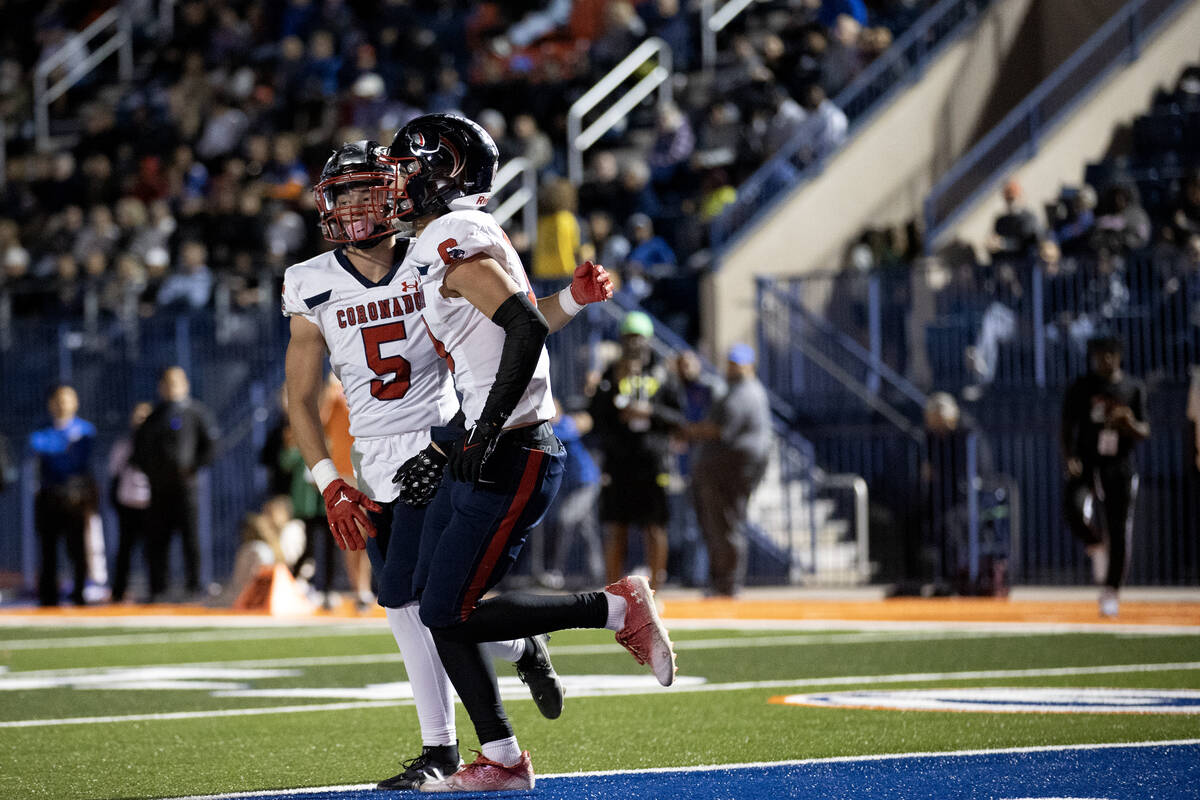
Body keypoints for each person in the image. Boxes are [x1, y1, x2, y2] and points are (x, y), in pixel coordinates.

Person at [282, 134, 613, 791]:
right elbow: (296, 397)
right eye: (340, 194)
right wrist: (330, 482)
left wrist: (571, 301)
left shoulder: (432, 250)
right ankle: (519, 646)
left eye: (363, 190)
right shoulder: (308, 281)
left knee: (407, 598)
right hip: (372, 461)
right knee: (425, 605)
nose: (351, 207)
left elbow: (515, 324)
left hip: (439, 447)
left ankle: (442, 748)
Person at [387, 113, 677, 792]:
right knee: (432, 599)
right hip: (491, 438)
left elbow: (518, 328)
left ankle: (614, 608)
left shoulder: (454, 234)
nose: (395, 182)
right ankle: (501, 759)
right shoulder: (453, 235)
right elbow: (524, 319)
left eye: (405, 167)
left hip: (510, 447)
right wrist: (572, 301)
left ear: (440, 172)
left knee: (443, 610)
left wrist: (483, 431)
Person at [588, 311, 685, 588]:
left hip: (653, 459)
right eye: (628, 338)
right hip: (619, 460)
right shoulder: (611, 370)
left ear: (648, 339)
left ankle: (656, 589)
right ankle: (613, 590)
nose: (634, 344)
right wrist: (613, 388)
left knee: (654, 526)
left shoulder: (663, 372)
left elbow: (679, 417)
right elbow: (596, 415)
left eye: (638, 338)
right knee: (616, 527)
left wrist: (650, 411)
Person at [1061, 337, 1151, 618]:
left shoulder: (1132, 388)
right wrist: (1070, 457)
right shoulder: (1082, 386)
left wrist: (1129, 424)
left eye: (1109, 354)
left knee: (1119, 528)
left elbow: (1145, 430)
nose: (1105, 360)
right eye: (1099, 355)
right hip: (1088, 462)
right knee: (1074, 509)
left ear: (1119, 356)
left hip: (1119, 465)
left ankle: (1111, 592)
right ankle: (1095, 543)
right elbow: (1067, 425)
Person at [687, 344, 773, 597]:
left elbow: (720, 429)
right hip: (727, 468)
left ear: (750, 366)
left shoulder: (744, 393)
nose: (733, 368)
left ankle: (728, 583)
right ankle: (723, 582)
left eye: (738, 364)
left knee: (727, 524)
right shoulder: (737, 389)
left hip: (732, 470)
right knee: (722, 524)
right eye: (731, 363)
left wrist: (687, 430)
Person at [132, 366, 219, 602]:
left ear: (185, 384)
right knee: (157, 540)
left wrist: (192, 468)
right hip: (159, 489)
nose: (172, 387)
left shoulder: (196, 413)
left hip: (186, 488)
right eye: (167, 383)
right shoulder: (153, 416)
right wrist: (151, 472)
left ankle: (194, 586)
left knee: (190, 538)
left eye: (176, 382)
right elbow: (138, 449)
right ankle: (158, 588)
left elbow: (210, 445)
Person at [30, 385, 98, 606]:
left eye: (67, 399)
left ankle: (80, 593)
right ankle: (48, 598)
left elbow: (78, 461)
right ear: (51, 403)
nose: (62, 404)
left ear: (75, 402)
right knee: (48, 550)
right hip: (49, 497)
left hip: (75, 498)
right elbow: (46, 455)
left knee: (77, 548)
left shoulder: (86, 431)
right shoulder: (41, 433)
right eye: (58, 399)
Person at [108, 401, 153, 603]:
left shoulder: (157, 443)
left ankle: (155, 590)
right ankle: (118, 592)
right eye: (138, 416)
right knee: (125, 550)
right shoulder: (124, 445)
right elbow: (115, 474)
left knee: (152, 551)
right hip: (128, 504)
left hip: (151, 504)